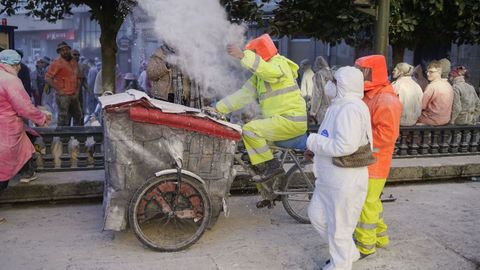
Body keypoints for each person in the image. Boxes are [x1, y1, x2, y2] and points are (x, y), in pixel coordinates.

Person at [215, 34, 307, 183]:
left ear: (261, 53)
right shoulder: (259, 76)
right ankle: (270, 192)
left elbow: (267, 71)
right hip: (280, 121)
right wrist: (217, 109)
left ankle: (273, 166)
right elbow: (242, 95)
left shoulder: (280, 64)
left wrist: (242, 55)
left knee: (250, 130)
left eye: (254, 54)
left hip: (290, 121)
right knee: (255, 159)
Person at [307, 66, 371, 270]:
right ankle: (350, 253)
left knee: (339, 228)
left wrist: (313, 142)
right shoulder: (340, 105)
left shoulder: (350, 109)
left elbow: (345, 146)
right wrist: (316, 150)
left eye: (334, 81)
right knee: (316, 215)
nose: (330, 85)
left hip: (344, 181)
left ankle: (340, 265)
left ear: (343, 85)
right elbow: (331, 138)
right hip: (330, 180)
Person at [354, 54, 402, 258]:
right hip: (369, 159)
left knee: (366, 202)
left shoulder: (386, 99)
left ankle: (365, 246)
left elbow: (387, 135)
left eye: (362, 72)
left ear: (374, 73)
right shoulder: (371, 94)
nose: (359, 76)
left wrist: (357, 141)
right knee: (372, 202)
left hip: (376, 162)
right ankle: (380, 237)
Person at [0, 50, 49, 223]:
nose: (20, 67)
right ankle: (27, 173)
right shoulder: (10, 80)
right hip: (6, 131)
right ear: (13, 64)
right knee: (3, 172)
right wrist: (42, 118)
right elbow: (24, 107)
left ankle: (27, 172)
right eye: (18, 64)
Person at [45, 41, 82, 126]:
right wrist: (59, 90)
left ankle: (77, 135)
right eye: (62, 50)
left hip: (74, 94)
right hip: (63, 95)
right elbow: (48, 78)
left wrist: (77, 91)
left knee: (78, 115)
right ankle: (63, 137)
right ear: (59, 52)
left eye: (66, 49)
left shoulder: (74, 62)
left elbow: (78, 78)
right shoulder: (56, 63)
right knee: (63, 117)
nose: (65, 51)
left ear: (69, 49)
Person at [416, 60, 454, 126]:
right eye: (427, 71)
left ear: (439, 72)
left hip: (432, 120)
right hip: (446, 119)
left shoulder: (432, 86)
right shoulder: (448, 85)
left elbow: (421, 106)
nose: (428, 74)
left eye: (431, 72)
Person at [310, 56, 334, 124]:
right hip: (334, 109)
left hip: (323, 110)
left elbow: (317, 94)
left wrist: (313, 112)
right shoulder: (333, 73)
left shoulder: (318, 75)